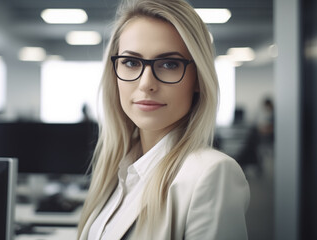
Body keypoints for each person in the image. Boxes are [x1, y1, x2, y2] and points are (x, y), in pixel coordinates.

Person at [77, 0, 250, 239]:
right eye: (131, 62)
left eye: (169, 64)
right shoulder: (119, 169)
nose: (146, 83)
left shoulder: (211, 174)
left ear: (198, 79)